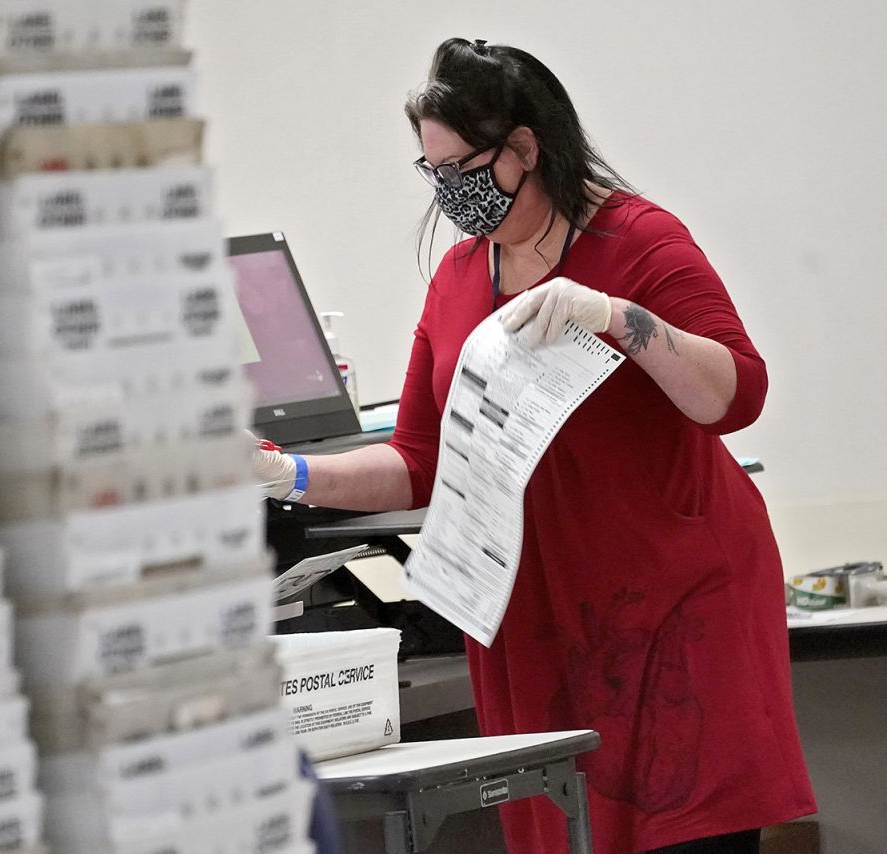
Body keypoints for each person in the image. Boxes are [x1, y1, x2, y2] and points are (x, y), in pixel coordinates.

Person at [253, 38, 815, 854]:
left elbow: (735, 394)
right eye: (432, 171)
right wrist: (286, 472)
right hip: (536, 617)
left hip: (670, 605)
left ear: (525, 146)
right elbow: (418, 458)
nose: (448, 192)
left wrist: (615, 318)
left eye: (462, 167)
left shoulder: (639, 241)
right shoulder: (456, 279)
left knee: (680, 825)